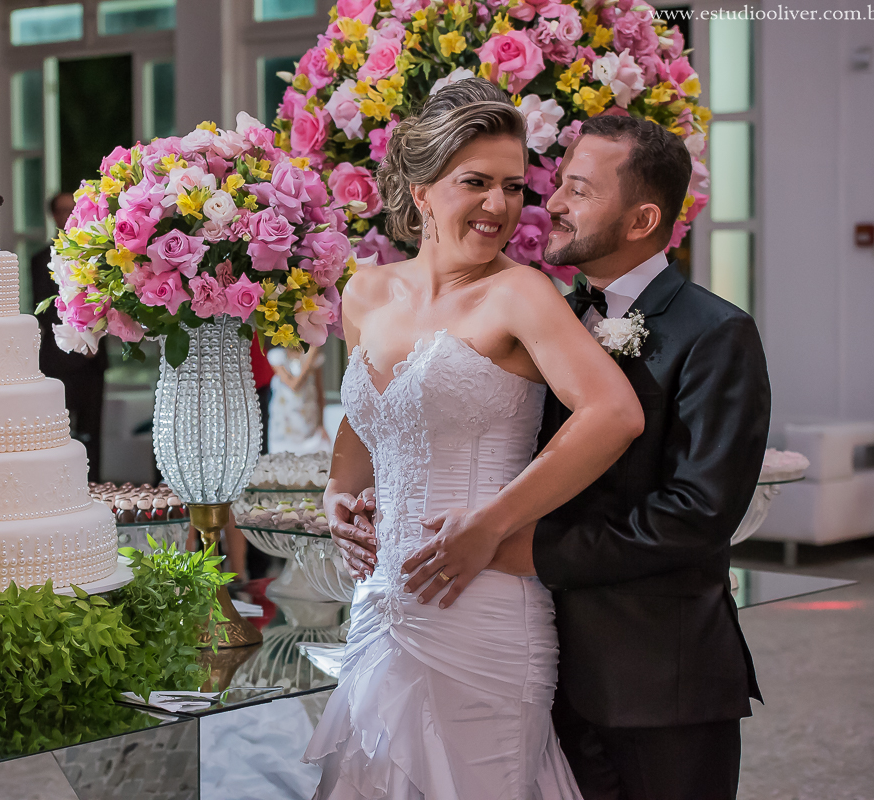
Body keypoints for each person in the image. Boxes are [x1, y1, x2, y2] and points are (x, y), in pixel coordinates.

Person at [330, 113, 771, 800]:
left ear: (641, 217)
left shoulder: (715, 334)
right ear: (420, 192)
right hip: (512, 632)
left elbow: (697, 514)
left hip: (655, 673)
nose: (543, 205)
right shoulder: (558, 309)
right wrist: (357, 497)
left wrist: (519, 545)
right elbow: (418, 429)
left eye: (574, 189)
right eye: (552, 183)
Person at [305, 78, 645, 799]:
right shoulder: (365, 292)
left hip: (484, 610)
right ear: (422, 189)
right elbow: (366, 420)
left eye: (514, 187)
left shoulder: (520, 293)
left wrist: (491, 526)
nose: (500, 205)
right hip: (378, 609)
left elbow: (613, 415)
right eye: (476, 183)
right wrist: (339, 493)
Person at [31, 192, 109, 481]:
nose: (67, 215)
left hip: (93, 359)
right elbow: (49, 308)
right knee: (60, 431)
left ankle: (96, 486)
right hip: (59, 358)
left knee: (93, 431)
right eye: (61, 210)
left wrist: (94, 338)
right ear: (53, 216)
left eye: (70, 209)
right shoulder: (40, 260)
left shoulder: (98, 255)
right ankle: (60, 485)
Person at [267, 345, 330, 455]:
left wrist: (322, 425)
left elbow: (319, 391)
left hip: (308, 423)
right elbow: (294, 386)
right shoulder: (278, 357)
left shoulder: (315, 359)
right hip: (284, 426)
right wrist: (309, 358)